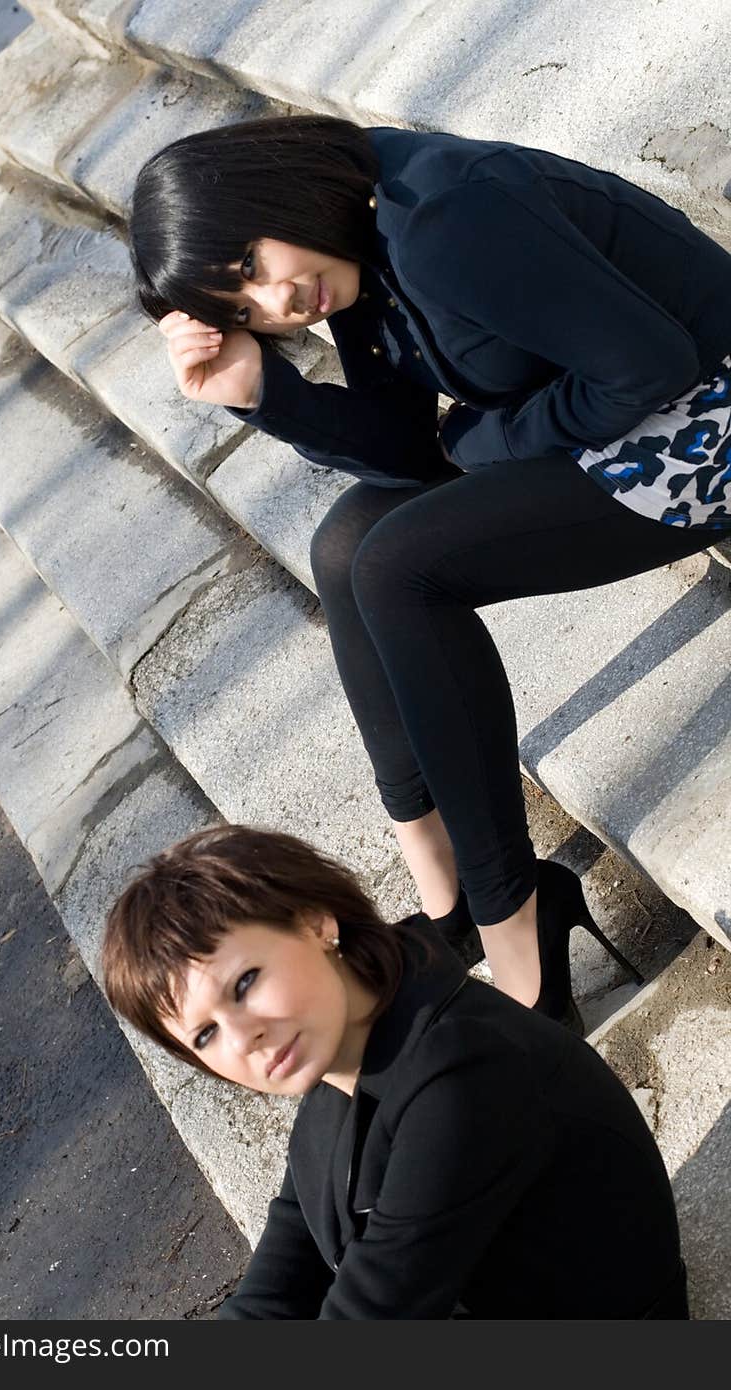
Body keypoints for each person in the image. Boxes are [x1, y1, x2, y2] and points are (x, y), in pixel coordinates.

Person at [128, 115, 731, 1027]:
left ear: (265, 193)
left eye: (251, 266)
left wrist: (484, 440)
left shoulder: (442, 217)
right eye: (245, 309)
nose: (278, 303)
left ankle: (519, 933)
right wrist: (264, 393)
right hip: (625, 414)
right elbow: (410, 450)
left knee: (400, 568)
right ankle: (446, 898)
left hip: (705, 415)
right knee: (344, 549)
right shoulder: (350, 250)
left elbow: (650, 364)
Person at [101, 823, 688, 1319]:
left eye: (245, 983)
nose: (242, 1037)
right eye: (204, 1035)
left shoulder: (461, 1073)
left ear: (316, 923)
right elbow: (280, 1278)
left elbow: (370, 1317)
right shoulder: (342, 1069)